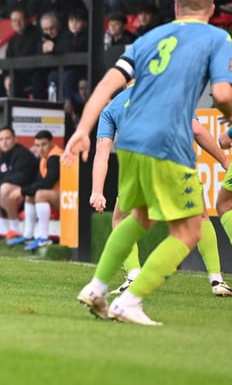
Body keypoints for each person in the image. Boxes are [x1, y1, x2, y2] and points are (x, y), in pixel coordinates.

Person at [62, 0, 232, 326]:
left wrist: (82, 129)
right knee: (190, 230)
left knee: (137, 216)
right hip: (167, 141)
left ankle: (96, 287)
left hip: (131, 143)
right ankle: (130, 301)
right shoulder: (218, 38)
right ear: (212, 11)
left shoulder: (147, 39)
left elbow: (107, 86)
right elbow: (222, 93)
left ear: (175, 9)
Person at [91, 81, 232, 297]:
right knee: (201, 217)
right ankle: (217, 280)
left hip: (140, 167)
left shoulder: (111, 108)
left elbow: (102, 153)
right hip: (180, 163)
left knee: (120, 219)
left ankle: (133, 276)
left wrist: (97, 191)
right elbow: (196, 129)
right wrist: (223, 160)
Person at [7, 130, 63, 250]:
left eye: (44, 144)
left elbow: (48, 183)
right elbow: (38, 181)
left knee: (40, 194)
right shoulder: (44, 158)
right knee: (30, 195)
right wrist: (25, 191)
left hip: (69, 199)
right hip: (59, 197)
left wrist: (22, 191)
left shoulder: (55, 157)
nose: (40, 149)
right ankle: (28, 235)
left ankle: (44, 237)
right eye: (37, 145)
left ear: (51, 143)